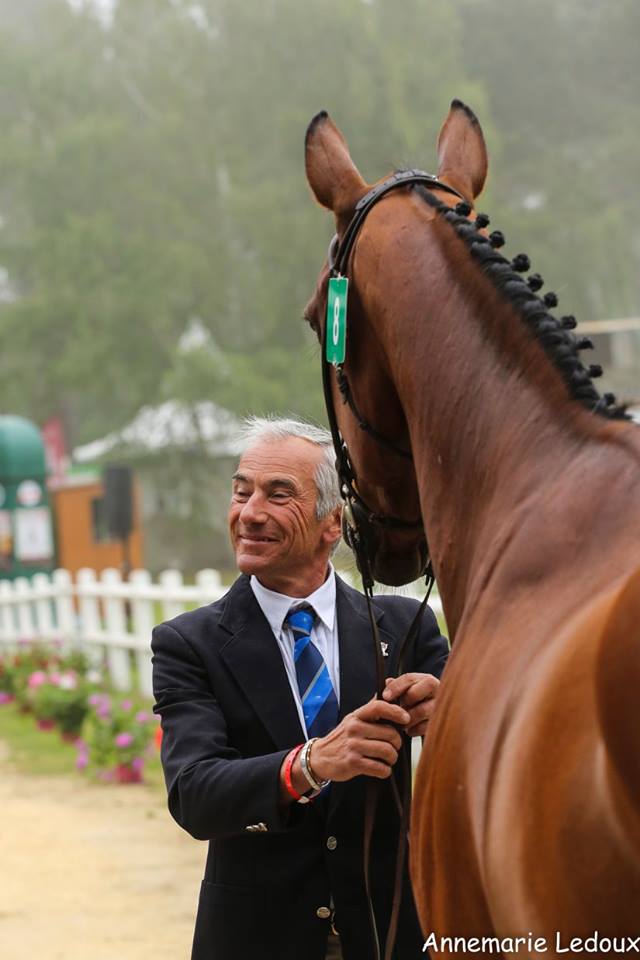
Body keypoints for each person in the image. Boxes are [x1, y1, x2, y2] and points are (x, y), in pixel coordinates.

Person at [151, 416, 449, 960]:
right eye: (241, 492)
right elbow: (194, 795)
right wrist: (310, 764)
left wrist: (453, 715)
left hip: (393, 936)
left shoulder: (409, 629)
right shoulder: (187, 644)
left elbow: (488, 756)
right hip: (255, 940)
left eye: (278, 494)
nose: (249, 512)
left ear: (332, 522)